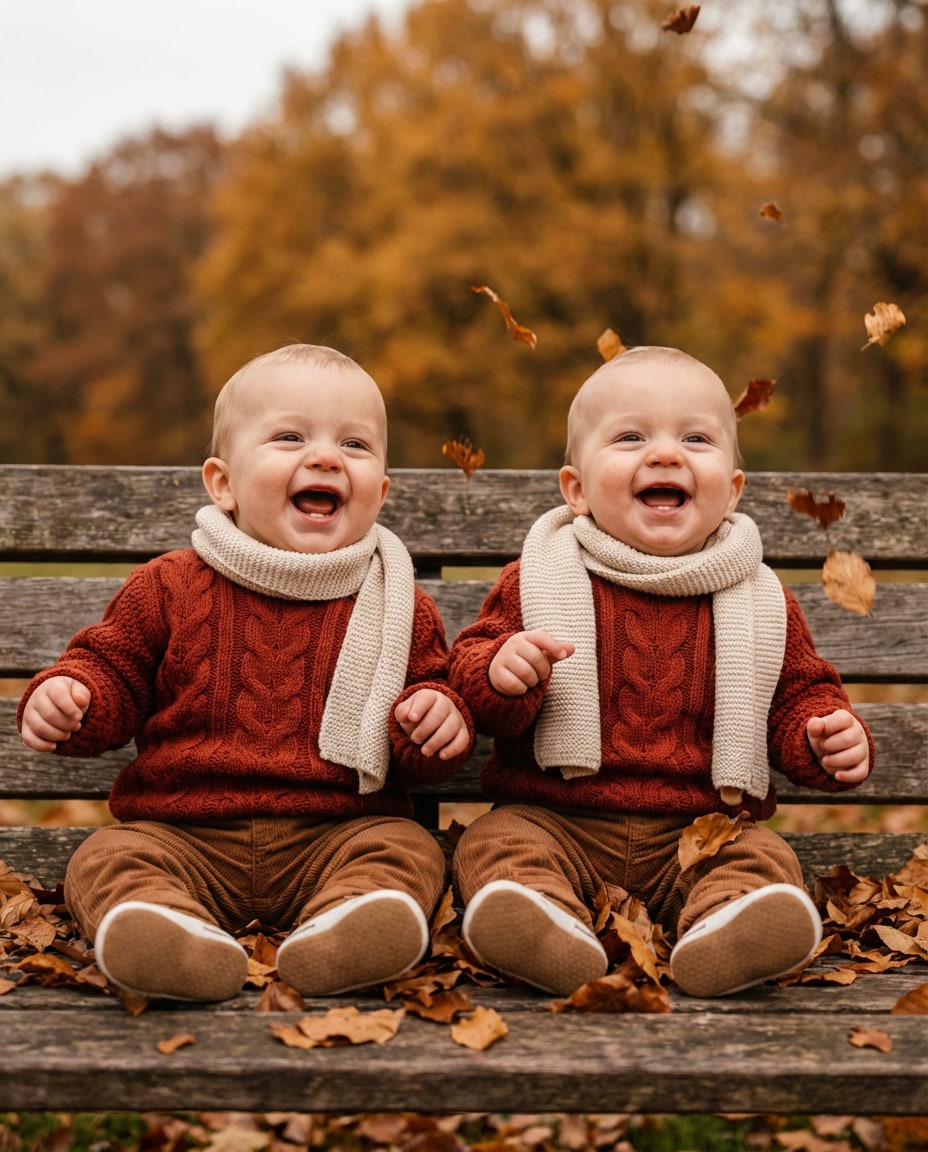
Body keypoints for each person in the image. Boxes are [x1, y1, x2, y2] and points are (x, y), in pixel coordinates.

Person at [18, 343, 474, 1003]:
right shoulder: (168, 586)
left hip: (337, 836)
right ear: (223, 484)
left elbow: (424, 727)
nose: (325, 457)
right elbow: (110, 669)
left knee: (406, 848)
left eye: (354, 445)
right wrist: (73, 697)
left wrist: (433, 722)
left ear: (380, 492)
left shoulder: (399, 603)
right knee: (106, 857)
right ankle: (168, 937)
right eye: (290, 437)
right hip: (183, 836)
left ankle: (349, 931)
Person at [448, 345, 873, 999]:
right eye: (631, 438)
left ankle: (729, 931)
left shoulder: (761, 598)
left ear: (732, 490)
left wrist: (822, 735)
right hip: (557, 819)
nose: (667, 454)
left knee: (762, 857)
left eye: (696, 439)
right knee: (496, 841)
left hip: (702, 831)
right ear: (577, 489)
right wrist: (502, 676)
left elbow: (798, 696)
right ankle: (541, 926)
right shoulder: (536, 579)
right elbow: (472, 673)